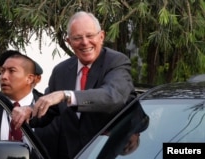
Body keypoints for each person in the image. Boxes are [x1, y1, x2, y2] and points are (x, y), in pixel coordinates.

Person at [12, 11, 135, 159]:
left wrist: (66, 95)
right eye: (77, 38)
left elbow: (112, 97)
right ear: (69, 42)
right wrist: (29, 111)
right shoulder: (61, 71)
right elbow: (48, 110)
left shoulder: (116, 62)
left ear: (101, 36)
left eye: (90, 36)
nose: (84, 42)